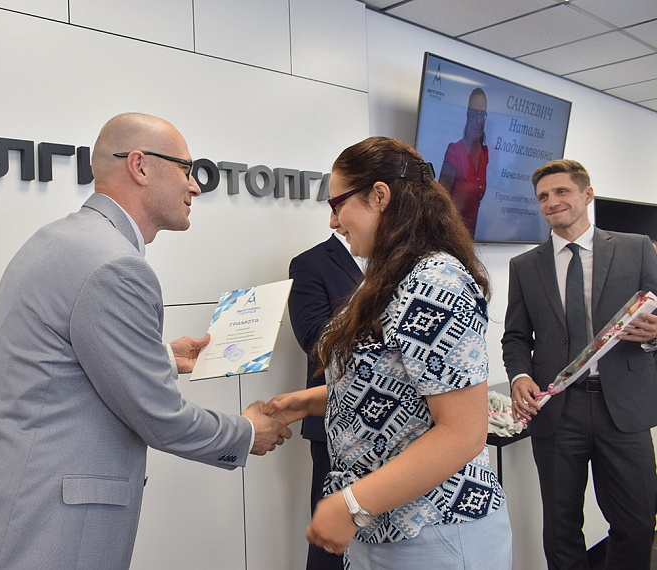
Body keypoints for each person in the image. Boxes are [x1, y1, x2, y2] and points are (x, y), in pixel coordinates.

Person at [0, 113, 292, 569]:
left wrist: (162, 357)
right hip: (43, 530)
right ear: (140, 166)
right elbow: (161, 418)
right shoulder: (116, 266)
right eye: (186, 169)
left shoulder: (59, 239)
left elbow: (60, 360)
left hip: (3, 508)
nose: (196, 186)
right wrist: (247, 433)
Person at [267, 136, 510, 570]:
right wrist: (307, 402)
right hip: (384, 528)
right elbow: (396, 384)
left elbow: (462, 431)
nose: (333, 221)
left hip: (435, 528)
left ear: (379, 195)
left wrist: (351, 504)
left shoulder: (435, 282)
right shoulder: (391, 277)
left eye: (337, 204)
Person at [503, 159, 657, 570]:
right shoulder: (525, 266)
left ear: (587, 194)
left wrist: (655, 334)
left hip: (623, 408)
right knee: (561, 528)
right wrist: (519, 376)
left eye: (561, 191)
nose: (551, 202)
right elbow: (515, 336)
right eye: (543, 196)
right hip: (557, 411)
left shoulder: (635, 248)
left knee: (637, 523)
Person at [288, 229, 363, 570]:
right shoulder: (311, 263)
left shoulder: (405, 260)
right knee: (330, 545)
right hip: (334, 424)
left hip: (398, 431)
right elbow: (315, 340)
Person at [438, 87, 488, 238]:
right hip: (449, 237)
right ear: (468, 115)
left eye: (482, 115)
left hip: (470, 239)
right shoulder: (455, 151)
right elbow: (439, 201)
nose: (478, 121)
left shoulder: (485, 153)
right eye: (474, 114)